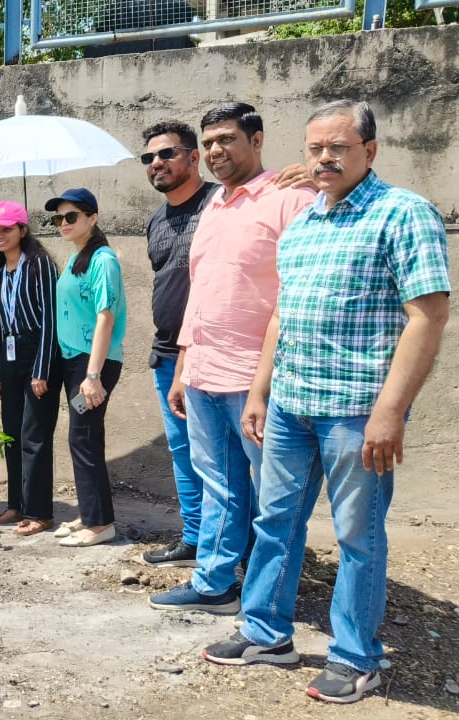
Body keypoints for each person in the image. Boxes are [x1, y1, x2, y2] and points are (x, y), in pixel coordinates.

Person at [205, 100, 450, 704]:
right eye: (315, 148)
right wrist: (261, 392)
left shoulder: (404, 214)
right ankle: (266, 633)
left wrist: (390, 411)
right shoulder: (307, 220)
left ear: (370, 150)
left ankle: (355, 656)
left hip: (356, 411)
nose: (323, 158)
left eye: (338, 148)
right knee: (276, 521)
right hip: (290, 405)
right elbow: (282, 316)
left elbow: (429, 316)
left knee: (356, 535)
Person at [149, 103, 314, 612]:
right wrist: (183, 367)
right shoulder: (214, 207)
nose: (217, 150)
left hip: (255, 380)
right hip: (201, 373)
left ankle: (269, 596)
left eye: (227, 139)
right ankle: (214, 582)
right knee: (218, 485)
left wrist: (265, 386)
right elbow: (201, 293)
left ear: (257, 140)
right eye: (211, 141)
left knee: (273, 497)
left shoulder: (292, 197)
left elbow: (295, 293)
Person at [137, 120, 216, 567]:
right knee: (184, 454)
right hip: (167, 354)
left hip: (213, 355)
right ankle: (193, 538)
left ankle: (230, 550)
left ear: (193, 156)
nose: (157, 164)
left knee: (221, 460)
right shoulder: (155, 219)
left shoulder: (219, 205)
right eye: (149, 158)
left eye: (167, 154)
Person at [48, 188, 127, 547]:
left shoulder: (103, 260)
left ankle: (101, 525)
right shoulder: (79, 257)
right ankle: (91, 515)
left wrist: (93, 376)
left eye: (71, 217)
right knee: (83, 438)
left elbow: (105, 317)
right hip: (76, 361)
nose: (62, 223)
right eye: (58, 218)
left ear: (92, 219)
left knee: (83, 437)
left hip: (93, 363)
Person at [0, 201, 61, 535]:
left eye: (7, 229)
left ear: (23, 230)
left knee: (35, 436)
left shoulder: (40, 264)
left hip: (37, 354)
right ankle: (16, 505)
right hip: (10, 354)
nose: (0, 236)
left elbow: (50, 320)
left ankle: (39, 511)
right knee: (11, 435)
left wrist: (42, 368)